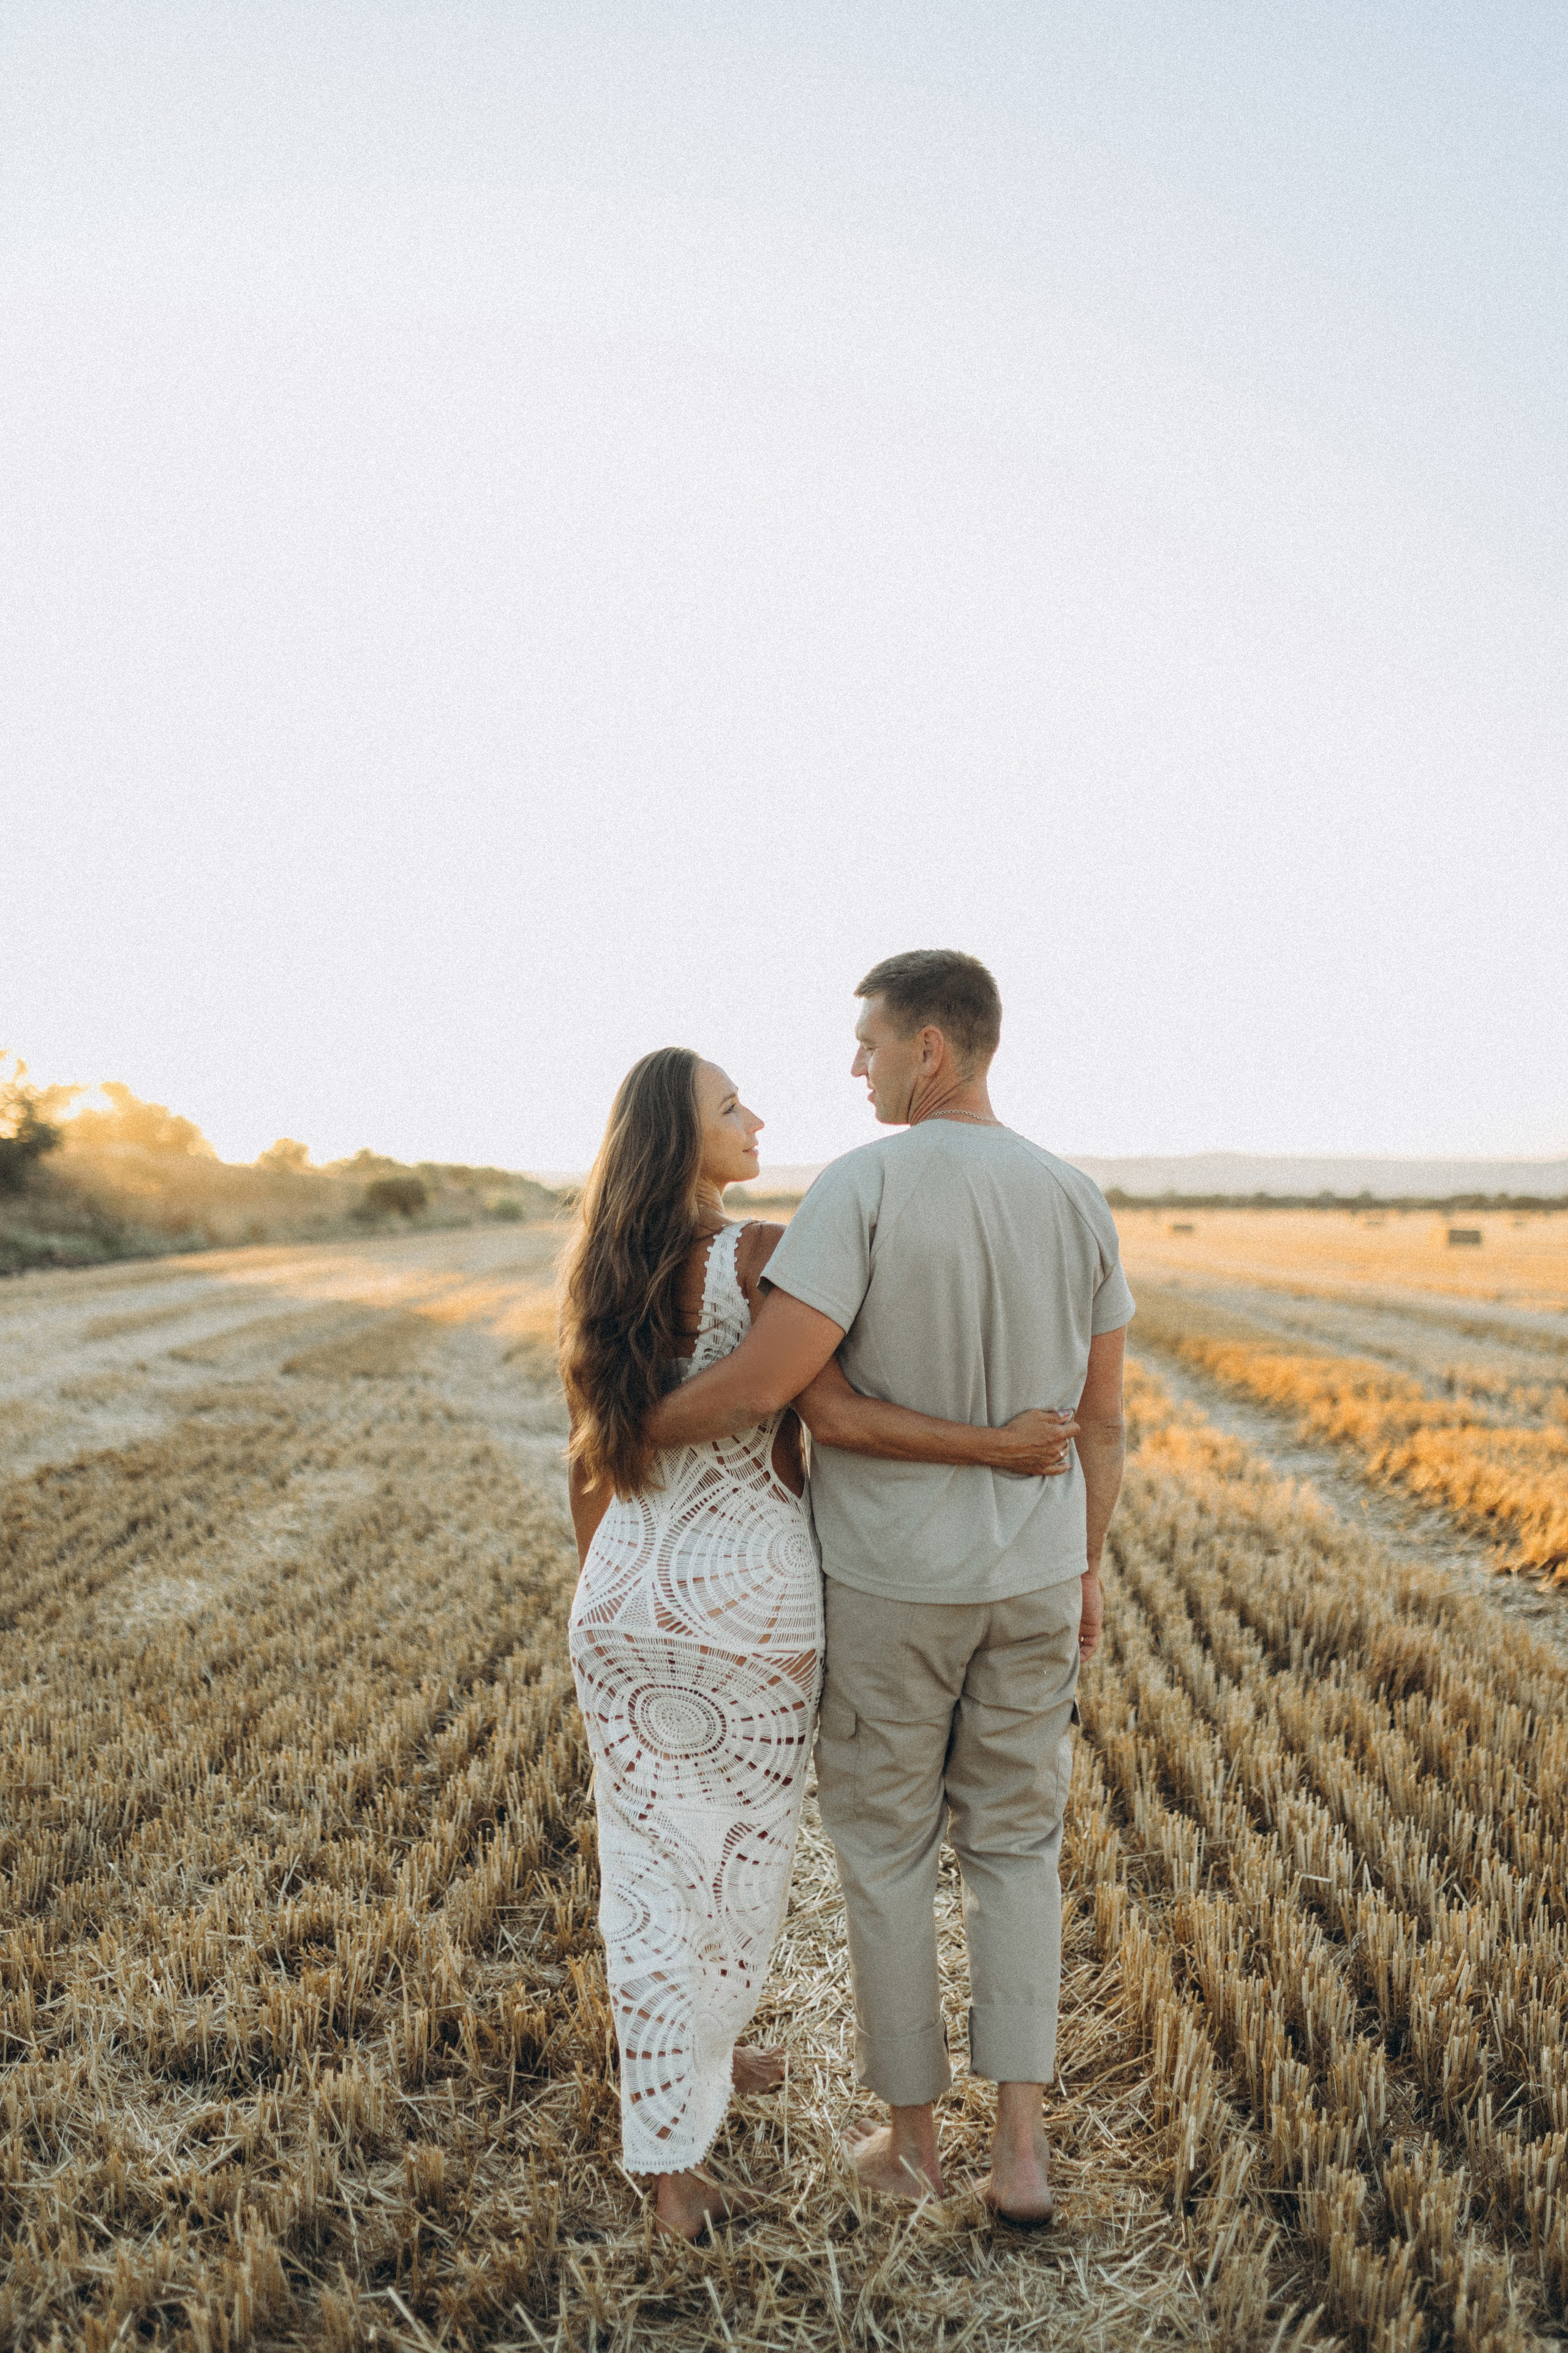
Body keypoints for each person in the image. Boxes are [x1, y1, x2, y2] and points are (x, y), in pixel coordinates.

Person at [646, 951, 1133, 2224]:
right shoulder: (1075, 1197)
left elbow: (774, 1386)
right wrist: (1082, 1565)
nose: (851, 1065)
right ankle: (1020, 2158)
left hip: (887, 1584)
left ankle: (913, 2149)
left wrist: (622, 1424)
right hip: (1034, 1571)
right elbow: (1103, 1425)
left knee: (884, 1853)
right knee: (1018, 1847)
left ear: (930, 1047)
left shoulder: (856, 1187)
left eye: (865, 1043)